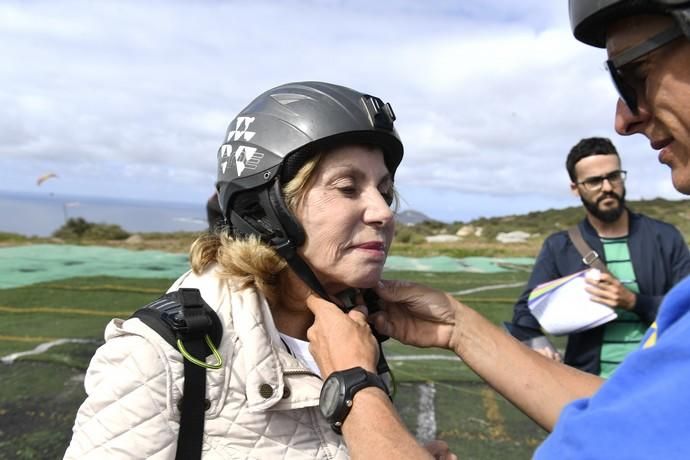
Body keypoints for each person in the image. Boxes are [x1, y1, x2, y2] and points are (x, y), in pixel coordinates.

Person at [305, 1, 690, 458]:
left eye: (636, 73)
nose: (624, 118)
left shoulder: (665, 238)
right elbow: (631, 421)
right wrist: (459, 327)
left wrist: (354, 385)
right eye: (347, 187)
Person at [64, 81, 450, 459]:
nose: (384, 212)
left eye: (384, 192)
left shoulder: (358, 330)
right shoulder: (158, 356)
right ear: (263, 213)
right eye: (348, 188)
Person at [509, 136, 690, 377]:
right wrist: (537, 341)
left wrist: (634, 302)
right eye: (594, 181)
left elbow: (686, 311)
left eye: (613, 176)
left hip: (655, 382)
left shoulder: (665, 237)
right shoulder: (559, 246)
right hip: (586, 386)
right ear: (576, 188)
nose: (607, 187)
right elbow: (526, 311)